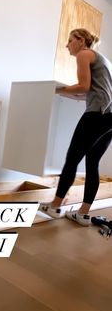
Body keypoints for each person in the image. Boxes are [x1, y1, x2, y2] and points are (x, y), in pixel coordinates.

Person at [39, 28, 112, 226]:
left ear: (80, 40)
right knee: (92, 161)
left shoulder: (84, 54)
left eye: (70, 40)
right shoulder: (104, 60)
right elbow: (88, 92)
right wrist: (64, 93)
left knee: (72, 159)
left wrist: (56, 89)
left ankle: (54, 206)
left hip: (98, 114)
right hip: (109, 117)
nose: (67, 45)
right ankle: (83, 214)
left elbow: (84, 86)